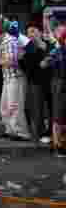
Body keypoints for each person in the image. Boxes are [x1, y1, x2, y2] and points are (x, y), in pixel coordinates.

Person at [0, 20, 29, 140]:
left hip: (15, 76)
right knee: (4, 106)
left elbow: (11, 61)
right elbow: (5, 58)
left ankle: (21, 132)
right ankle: (10, 130)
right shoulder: (3, 41)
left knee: (14, 105)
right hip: (7, 77)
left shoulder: (9, 40)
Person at [21, 23, 50, 144]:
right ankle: (37, 134)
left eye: (33, 31)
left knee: (50, 109)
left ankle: (49, 133)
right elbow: (26, 66)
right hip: (35, 82)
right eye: (28, 33)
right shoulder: (29, 47)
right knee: (36, 109)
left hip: (50, 81)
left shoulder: (48, 44)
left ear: (39, 32)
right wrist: (21, 58)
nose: (31, 35)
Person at [42, 23, 66, 157]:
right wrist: (51, 58)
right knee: (58, 115)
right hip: (59, 83)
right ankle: (57, 145)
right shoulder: (57, 50)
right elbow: (43, 64)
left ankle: (61, 143)